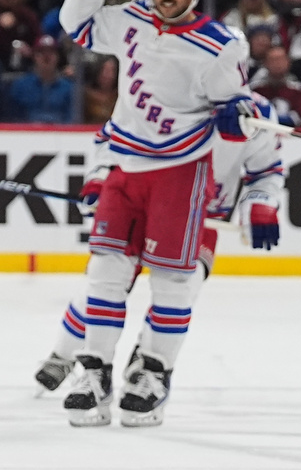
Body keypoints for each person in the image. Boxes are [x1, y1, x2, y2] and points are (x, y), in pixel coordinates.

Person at [57, 0, 262, 427]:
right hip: (124, 166)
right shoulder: (129, 18)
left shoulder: (219, 43)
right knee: (106, 274)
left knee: (172, 281)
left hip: (179, 172)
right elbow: (76, 25)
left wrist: (234, 115)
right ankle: (94, 373)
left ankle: (152, 373)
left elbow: (237, 105)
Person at [35, 94, 286, 401]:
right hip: (140, 203)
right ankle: (64, 354)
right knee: (102, 284)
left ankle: (149, 361)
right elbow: (110, 138)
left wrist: (260, 203)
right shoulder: (158, 85)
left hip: (198, 215)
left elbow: (266, 171)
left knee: (182, 289)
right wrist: (101, 177)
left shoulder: (255, 111)